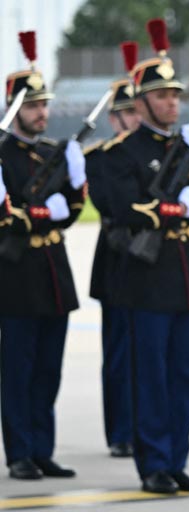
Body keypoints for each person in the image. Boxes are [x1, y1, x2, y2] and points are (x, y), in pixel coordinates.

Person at [102, 19, 189, 494]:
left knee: (184, 375)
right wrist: (177, 206)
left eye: (175, 96)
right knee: (152, 378)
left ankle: (177, 459)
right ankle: (154, 463)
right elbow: (122, 207)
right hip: (147, 278)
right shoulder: (121, 151)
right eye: (161, 96)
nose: (171, 103)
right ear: (140, 103)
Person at [0, 31, 86, 480]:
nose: (42, 113)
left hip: (54, 275)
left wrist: (72, 196)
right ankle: (19, 452)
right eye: (32, 106)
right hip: (16, 277)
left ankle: (42, 448)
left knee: (48, 369)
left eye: (44, 105)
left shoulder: (55, 153)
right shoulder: (2, 155)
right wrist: (36, 214)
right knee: (18, 369)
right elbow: (6, 216)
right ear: (14, 108)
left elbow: (71, 209)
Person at [85, 41, 141, 459]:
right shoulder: (101, 158)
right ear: (113, 118)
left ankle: (145, 424)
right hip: (118, 258)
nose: (134, 119)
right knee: (120, 352)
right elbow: (110, 204)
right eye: (128, 113)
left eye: (138, 111)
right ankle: (121, 431)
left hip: (154, 262)